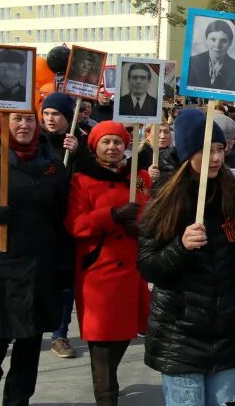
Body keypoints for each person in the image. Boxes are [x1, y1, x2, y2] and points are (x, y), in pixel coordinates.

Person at [137, 109, 235, 404]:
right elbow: (148, 265)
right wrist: (180, 247)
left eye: (219, 149)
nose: (215, 158)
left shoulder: (230, 192)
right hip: (180, 335)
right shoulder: (166, 197)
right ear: (188, 153)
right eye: (205, 150)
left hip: (225, 333)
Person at [0, 112, 68, 406]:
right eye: (17, 119)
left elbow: (62, 217)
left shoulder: (53, 164)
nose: (24, 125)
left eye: (30, 120)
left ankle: (18, 399)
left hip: (37, 266)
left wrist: (63, 263)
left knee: (30, 339)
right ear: (2, 122)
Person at [66, 121, 151, 406]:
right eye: (106, 142)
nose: (112, 147)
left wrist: (140, 226)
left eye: (117, 141)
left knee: (124, 334)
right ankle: (107, 397)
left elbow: (150, 212)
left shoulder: (138, 176)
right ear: (95, 146)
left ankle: (107, 383)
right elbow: (76, 225)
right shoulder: (82, 179)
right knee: (101, 342)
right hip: (98, 272)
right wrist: (112, 215)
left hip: (131, 270)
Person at [39, 92, 90, 360]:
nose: (49, 119)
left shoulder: (77, 144)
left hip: (67, 224)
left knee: (65, 281)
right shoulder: (33, 142)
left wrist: (78, 152)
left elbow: (88, 176)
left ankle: (60, 334)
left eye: (56, 114)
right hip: (39, 222)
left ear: (67, 118)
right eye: (46, 113)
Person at [186, 19, 235, 92]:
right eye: (213, 39)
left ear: (230, 43)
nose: (217, 45)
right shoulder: (192, 63)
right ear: (206, 40)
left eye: (223, 41)